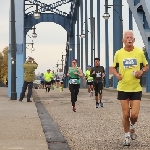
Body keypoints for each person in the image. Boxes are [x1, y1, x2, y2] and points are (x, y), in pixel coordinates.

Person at [112, 30, 149, 146]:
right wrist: (117, 75)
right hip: (123, 87)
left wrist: (141, 71)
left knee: (134, 115)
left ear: (133, 40)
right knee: (126, 114)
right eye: (126, 37)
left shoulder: (139, 53)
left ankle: (132, 126)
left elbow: (146, 66)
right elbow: (113, 67)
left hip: (136, 88)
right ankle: (127, 136)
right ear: (123, 40)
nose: (129, 39)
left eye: (130, 38)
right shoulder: (118, 53)